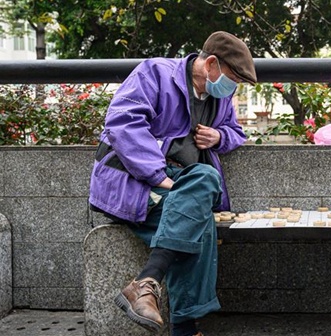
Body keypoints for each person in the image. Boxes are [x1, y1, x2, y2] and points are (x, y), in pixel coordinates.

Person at [88, 31, 256, 336]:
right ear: (211, 64)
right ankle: (184, 329)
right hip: (135, 182)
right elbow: (122, 123)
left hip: (182, 183)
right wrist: (159, 177)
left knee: (201, 188)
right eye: (233, 78)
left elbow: (235, 131)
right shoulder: (156, 72)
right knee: (198, 210)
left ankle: (146, 283)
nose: (234, 87)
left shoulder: (220, 96)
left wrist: (220, 136)